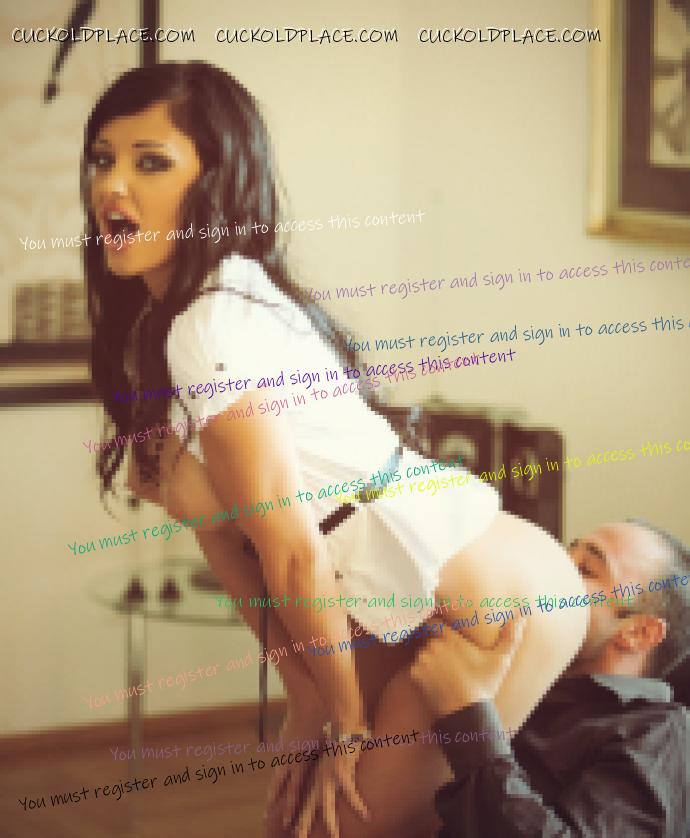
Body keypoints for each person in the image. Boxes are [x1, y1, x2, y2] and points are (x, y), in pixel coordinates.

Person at [83, 61, 588, 837]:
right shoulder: (166, 327)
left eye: (150, 162)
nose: (113, 186)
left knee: (337, 827)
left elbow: (289, 549)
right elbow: (225, 536)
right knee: (300, 822)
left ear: (214, 183)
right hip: (387, 593)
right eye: (102, 159)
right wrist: (307, 699)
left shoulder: (212, 322)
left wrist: (345, 720)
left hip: (485, 594)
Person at [411, 521, 690, 837]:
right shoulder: (510, 665)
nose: (559, 570)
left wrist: (467, 714)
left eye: (585, 569)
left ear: (638, 632)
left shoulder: (659, 734)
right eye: (566, 552)